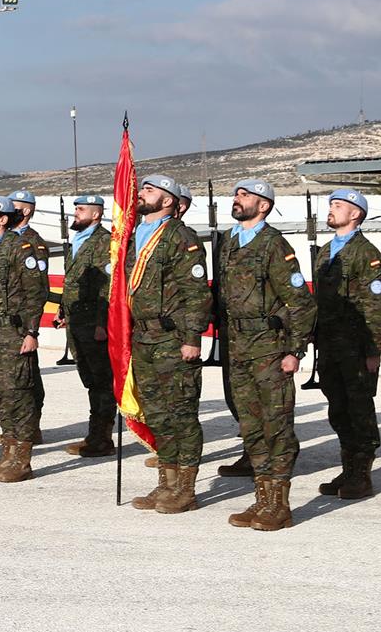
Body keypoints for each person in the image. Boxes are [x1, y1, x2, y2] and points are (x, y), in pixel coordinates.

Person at [218, 179, 316, 532]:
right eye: (237, 193)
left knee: (277, 426)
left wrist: (294, 350)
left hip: (270, 348)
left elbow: (300, 302)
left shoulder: (273, 244)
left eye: (245, 195)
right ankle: (262, 498)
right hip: (239, 347)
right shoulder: (230, 241)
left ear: (263, 206)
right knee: (251, 426)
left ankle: (279, 504)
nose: (237, 198)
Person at [126, 175, 212, 514]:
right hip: (142, 337)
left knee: (181, 414)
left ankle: (185, 490)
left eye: (150, 191)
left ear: (167, 201)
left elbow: (196, 293)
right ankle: (166, 483)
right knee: (158, 415)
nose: (141, 194)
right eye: (142, 189)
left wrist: (192, 338)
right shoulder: (132, 235)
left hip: (172, 338)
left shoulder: (180, 236)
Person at [313, 189, 381, 500]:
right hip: (329, 344)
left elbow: (374, 305)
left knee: (359, 409)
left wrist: (372, 351)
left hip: (355, 347)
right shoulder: (326, 251)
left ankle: (362, 474)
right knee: (338, 408)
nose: (331, 210)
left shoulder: (366, 253)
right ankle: (348, 467)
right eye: (331, 204)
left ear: (355, 214)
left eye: (338, 205)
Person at [0, 196, 47, 483]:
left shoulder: (19, 247)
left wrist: (31, 332)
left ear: (3, 219)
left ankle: (21, 460)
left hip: (15, 333)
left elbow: (35, 291)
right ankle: (7, 455)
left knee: (20, 394)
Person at [57, 195, 115, 458]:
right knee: (90, 380)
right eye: (75, 209)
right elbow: (73, 282)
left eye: (80, 210)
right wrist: (63, 312)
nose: (75, 214)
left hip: (94, 323)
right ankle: (94, 434)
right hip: (77, 321)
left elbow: (108, 286)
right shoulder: (77, 242)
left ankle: (102, 437)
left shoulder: (104, 242)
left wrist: (103, 324)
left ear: (96, 214)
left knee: (102, 381)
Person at [8, 190, 50, 442]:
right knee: (14, 378)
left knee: (27, 376)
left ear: (25, 211)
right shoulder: (7, 240)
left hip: (22, 322)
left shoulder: (33, 242)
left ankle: (30, 427)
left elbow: (37, 288)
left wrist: (31, 329)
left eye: (13, 207)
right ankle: (20, 426)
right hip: (7, 321)